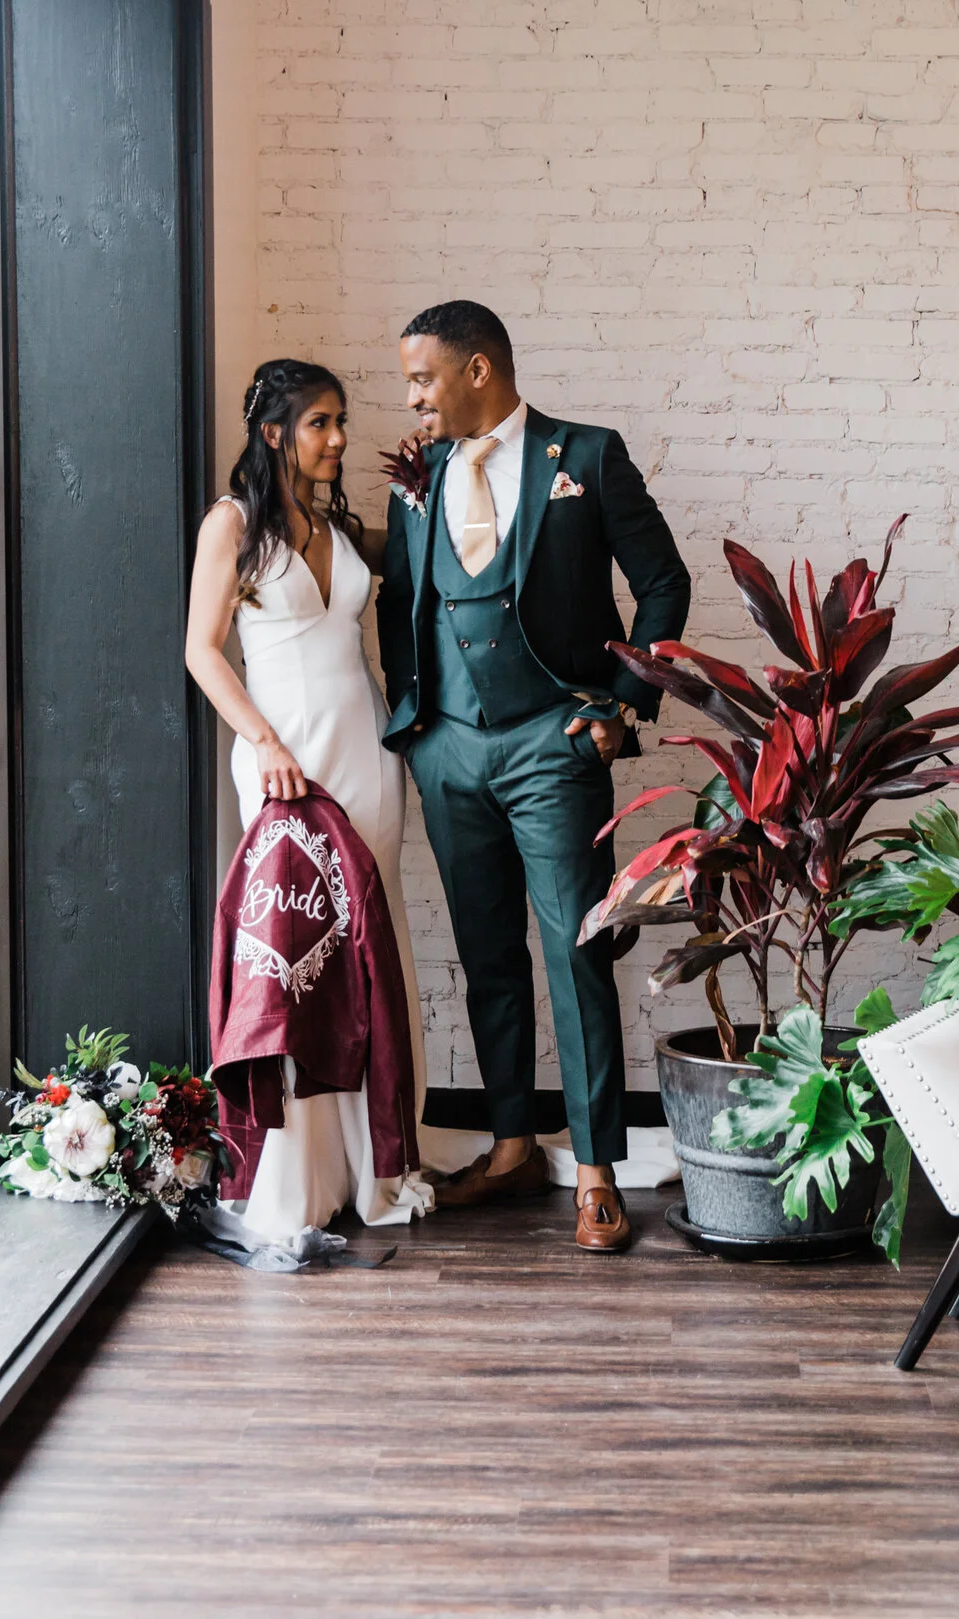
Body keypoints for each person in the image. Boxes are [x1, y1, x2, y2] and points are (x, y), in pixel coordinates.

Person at [378, 302, 690, 1253]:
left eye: (423, 380)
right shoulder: (420, 476)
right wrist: (416, 723)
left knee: (576, 949)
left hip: (556, 742)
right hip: (451, 750)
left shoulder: (586, 458)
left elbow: (664, 580)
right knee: (487, 952)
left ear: (477, 369)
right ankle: (513, 1141)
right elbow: (403, 600)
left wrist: (621, 709)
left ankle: (596, 1168)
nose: (414, 401)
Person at [185, 358, 475, 1254]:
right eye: (320, 422)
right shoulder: (231, 525)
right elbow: (202, 651)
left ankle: (376, 1160)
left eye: (341, 420)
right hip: (284, 760)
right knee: (295, 958)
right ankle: (296, 1175)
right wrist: (264, 743)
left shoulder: (338, 522)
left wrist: (439, 479)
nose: (339, 437)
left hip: (362, 757)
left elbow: (431, 561)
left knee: (368, 953)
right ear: (274, 430)